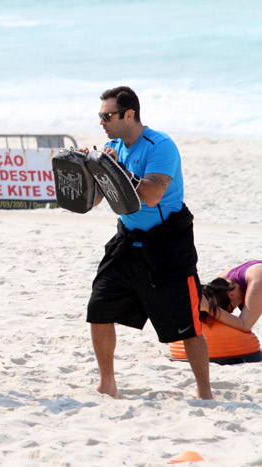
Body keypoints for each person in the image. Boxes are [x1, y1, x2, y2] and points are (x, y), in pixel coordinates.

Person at [78, 86, 213, 399]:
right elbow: (96, 201)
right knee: (98, 309)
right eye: (99, 117)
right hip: (127, 240)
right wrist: (87, 170)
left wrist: (118, 168)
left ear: (129, 114)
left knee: (187, 326)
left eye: (107, 116)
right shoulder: (113, 146)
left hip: (167, 244)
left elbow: (152, 196)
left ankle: (204, 392)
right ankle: (107, 383)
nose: (102, 122)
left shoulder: (159, 145)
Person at [201, 261, 262, 331]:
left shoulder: (257, 281)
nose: (232, 312)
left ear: (232, 294)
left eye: (231, 308)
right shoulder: (221, 283)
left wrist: (208, 307)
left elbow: (245, 325)